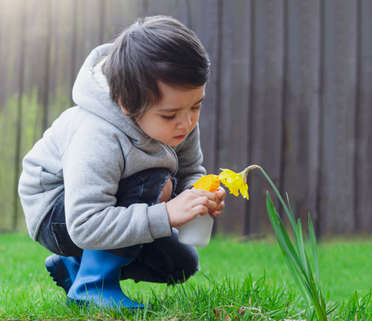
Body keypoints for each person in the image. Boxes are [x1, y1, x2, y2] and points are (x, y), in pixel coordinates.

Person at [18, 15, 225, 310]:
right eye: (170, 115)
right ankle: (93, 285)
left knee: (179, 263)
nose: (187, 122)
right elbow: (85, 223)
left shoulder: (181, 120)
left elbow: (191, 171)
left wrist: (198, 197)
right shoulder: (97, 135)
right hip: (59, 215)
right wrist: (166, 214)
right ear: (127, 105)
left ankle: (75, 266)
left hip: (102, 209)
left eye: (196, 106)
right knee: (155, 179)